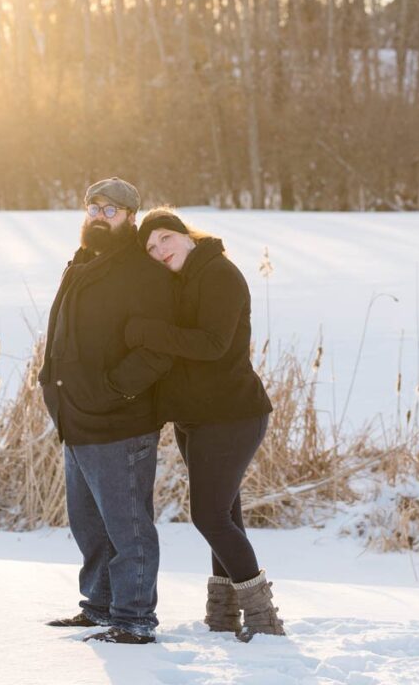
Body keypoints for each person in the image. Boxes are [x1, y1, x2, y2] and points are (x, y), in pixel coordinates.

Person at [107, 207, 284, 641]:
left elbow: (212, 343)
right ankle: (224, 616)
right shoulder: (186, 279)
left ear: (187, 235)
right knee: (226, 515)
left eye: (165, 238)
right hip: (199, 419)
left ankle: (263, 618)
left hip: (232, 416)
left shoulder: (219, 273)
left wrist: (146, 331)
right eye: (150, 248)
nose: (159, 250)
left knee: (209, 516)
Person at [39, 178, 174, 645]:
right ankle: (99, 606)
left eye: (111, 210)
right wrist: (50, 383)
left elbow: (158, 350)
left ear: (131, 217)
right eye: (93, 208)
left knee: (128, 526)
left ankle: (134, 618)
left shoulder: (142, 273)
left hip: (120, 420)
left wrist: (113, 389)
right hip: (75, 417)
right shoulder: (83, 263)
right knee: (89, 525)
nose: (99, 216)